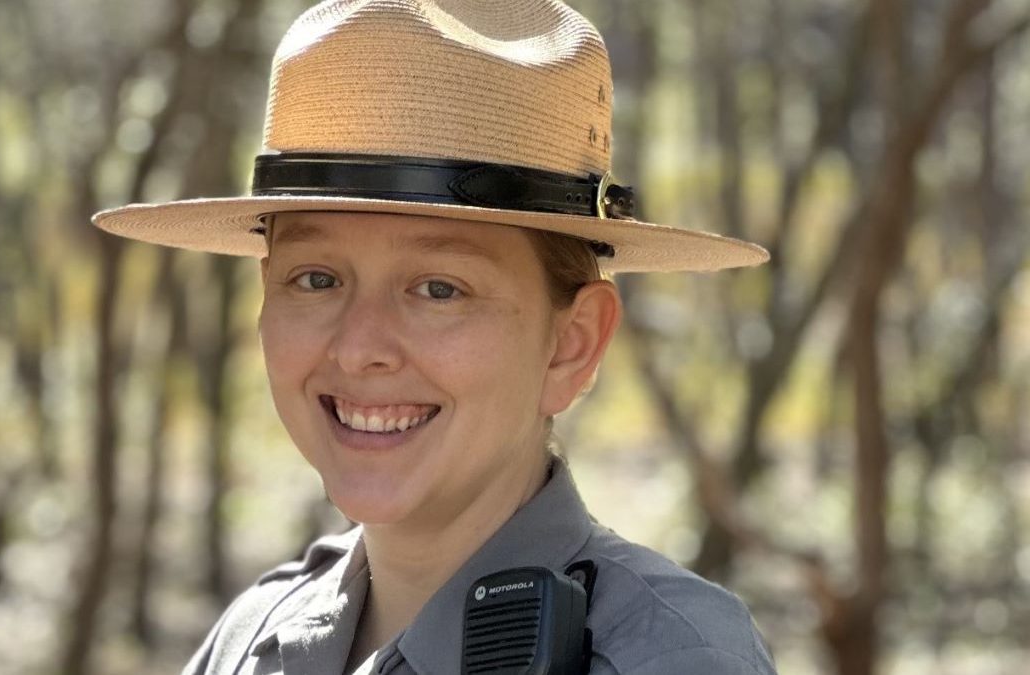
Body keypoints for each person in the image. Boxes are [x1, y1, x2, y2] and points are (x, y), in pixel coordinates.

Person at [94, 1, 778, 673]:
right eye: (316, 279)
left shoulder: (666, 657)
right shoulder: (253, 640)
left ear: (572, 344)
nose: (360, 347)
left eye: (439, 289)